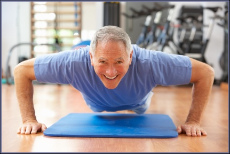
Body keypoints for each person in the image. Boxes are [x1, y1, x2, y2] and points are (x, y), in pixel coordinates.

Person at [14, 25, 214, 137]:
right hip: (97, 104)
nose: (111, 70)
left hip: (138, 101)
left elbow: (205, 73)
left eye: (119, 61)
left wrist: (193, 121)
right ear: (91, 57)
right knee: (99, 107)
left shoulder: (152, 63)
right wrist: (29, 120)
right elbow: (22, 71)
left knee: (140, 106)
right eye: (102, 61)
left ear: (131, 56)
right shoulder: (72, 62)